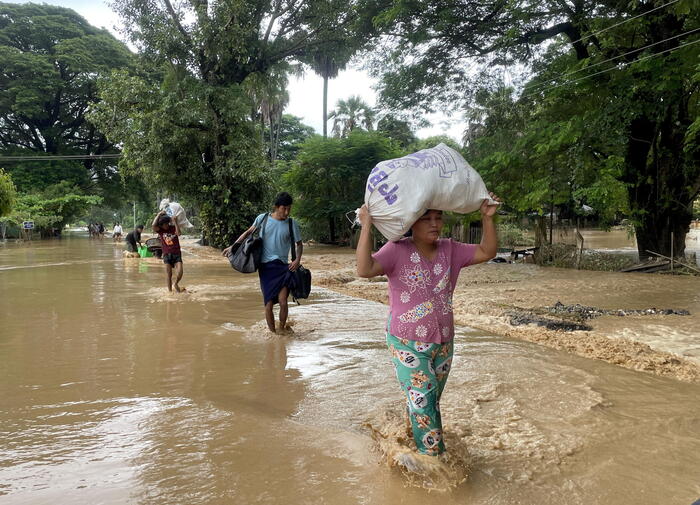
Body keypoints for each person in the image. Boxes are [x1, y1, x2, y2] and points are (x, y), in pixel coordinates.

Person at [355, 193, 500, 458]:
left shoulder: (451, 249)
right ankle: (434, 462)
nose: (434, 224)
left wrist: (487, 218)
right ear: (412, 223)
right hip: (405, 340)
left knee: (428, 401)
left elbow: (487, 252)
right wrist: (366, 225)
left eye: (438, 217)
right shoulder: (396, 249)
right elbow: (364, 269)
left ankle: (412, 438)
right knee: (426, 398)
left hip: (444, 341)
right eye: (426, 219)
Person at [223, 192, 302, 333]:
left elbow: (299, 244)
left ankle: (282, 330)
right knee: (269, 304)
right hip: (266, 268)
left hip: (284, 267)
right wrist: (233, 246)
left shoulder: (291, 224)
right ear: (276, 207)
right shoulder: (263, 218)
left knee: (283, 301)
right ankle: (273, 334)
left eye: (289, 208)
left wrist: (297, 259)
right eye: (284, 208)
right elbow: (248, 233)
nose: (287, 211)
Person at [152, 211, 184, 292]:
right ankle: (170, 292)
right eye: (164, 224)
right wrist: (158, 214)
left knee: (180, 272)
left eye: (167, 223)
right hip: (166, 255)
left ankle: (176, 283)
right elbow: (153, 225)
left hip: (177, 253)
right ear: (161, 225)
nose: (166, 225)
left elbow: (179, 233)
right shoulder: (160, 231)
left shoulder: (173, 228)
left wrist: (176, 222)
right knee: (169, 275)